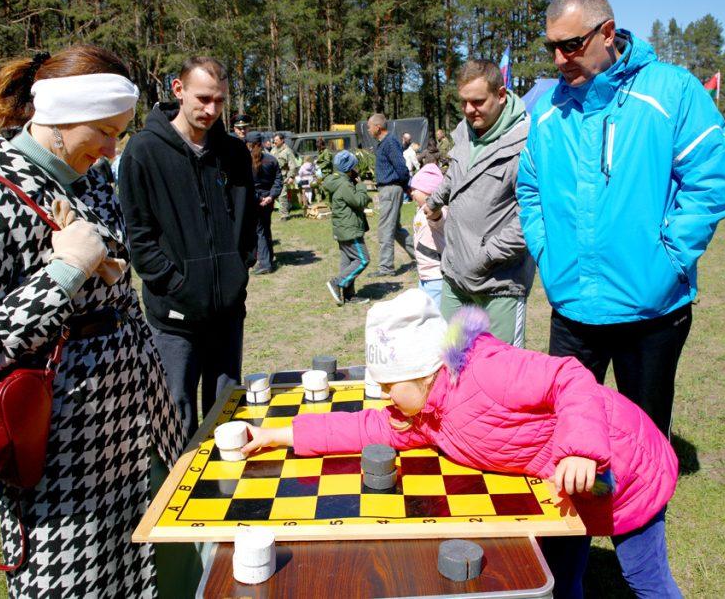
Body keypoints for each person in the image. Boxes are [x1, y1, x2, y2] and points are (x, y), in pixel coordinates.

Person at [0, 46, 185, 597]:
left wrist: (105, 265)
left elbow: (105, 256)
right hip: (59, 445)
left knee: (141, 572)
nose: (112, 148)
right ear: (61, 117)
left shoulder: (88, 178)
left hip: (130, 426)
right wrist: (67, 271)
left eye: (119, 132)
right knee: (76, 582)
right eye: (104, 131)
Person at [242, 289, 681, 598]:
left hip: (622, 466)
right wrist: (276, 435)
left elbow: (569, 377)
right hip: (564, 484)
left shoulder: (488, 371)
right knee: (561, 571)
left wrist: (583, 449)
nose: (383, 395)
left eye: (389, 385)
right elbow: (359, 429)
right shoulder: (421, 415)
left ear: (422, 372)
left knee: (643, 576)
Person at [517, 0, 725, 438]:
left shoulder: (672, 91)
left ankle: (643, 511)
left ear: (607, 33)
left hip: (650, 312)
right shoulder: (546, 112)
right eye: (551, 47)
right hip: (573, 311)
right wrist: (547, 252)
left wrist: (669, 259)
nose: (559, 59)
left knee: (644, 442)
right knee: (570, 437)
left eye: (571, 45)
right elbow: (530, 189)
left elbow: (710, 183)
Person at [119, 56, 256, 444]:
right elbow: (139, 235)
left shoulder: (234, 153)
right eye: (203, 98)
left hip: (227, 311)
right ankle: (177, 491)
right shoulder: (143, 152)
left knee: (227, 409)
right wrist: (173, 282)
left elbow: (246, 225)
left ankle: (224, 494)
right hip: (174, 317)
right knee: (174, 411)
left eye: (220, 100)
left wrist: (239, 270)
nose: (212, 109)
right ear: (177, 90)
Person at [423, 59, 535, 347]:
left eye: (477, 101)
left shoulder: (528, 143)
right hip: (454, 277)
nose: (469, 110)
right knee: (450, 363)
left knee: (501, 376)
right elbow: (457, 175)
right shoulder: (464, 133)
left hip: (499, 285)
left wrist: (483, 257)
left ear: (500, 95)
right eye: (464, 102)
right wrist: (435, 200)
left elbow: (532, 217)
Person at [368, 113, 416, 275]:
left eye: (369, 127)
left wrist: (404, 186)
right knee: (395, 229)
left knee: (385, 228)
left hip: (390, 188)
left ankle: (386, 267)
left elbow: (402, 168)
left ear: (378, 127)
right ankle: (422, 256)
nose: (368, 130)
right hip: (389, 188)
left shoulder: (389, 142)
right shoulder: (385, 143)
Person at [324, 150, 371, 306]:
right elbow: (359, 201)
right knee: (363, 259)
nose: (356, 170)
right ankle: (337, 282)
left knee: (348, 261)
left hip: (343, 228)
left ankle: (349, 295)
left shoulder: (337, 181)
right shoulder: (344, 185)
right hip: (350, 229)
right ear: (349, 168)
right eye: (354, 167)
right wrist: (362, 186)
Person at [409, 159, 447, 307]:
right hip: (425, 274)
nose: (411, 193)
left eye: (415, 189)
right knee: (425, 313)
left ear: (428, 191)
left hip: (437, 275)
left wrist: (434, 210)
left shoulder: (439, 212)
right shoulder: (420, 210)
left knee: (436, 316)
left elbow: (438, 219)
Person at [247, 132, 282, 275]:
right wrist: (271, 196)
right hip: (268, 200)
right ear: (261, 143)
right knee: (265, 229)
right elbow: (278, 180)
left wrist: (258, 198)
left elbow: (247, 184)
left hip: (255, 201)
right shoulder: (272, 160)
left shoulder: (246, 161)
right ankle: (269, 257)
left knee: (259, 231)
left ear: (249, 144)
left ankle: (265, 264)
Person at [272, 133, 298, 221]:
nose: (274, 142)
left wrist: (291, 176)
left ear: (282, 140)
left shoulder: (287, 151)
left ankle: (284, 215)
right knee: (275, 195)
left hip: (283, 177)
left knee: (282, 195)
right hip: (273, 177)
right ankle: (288, 205)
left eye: (276, 140)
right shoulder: (273, 150)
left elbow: (293, 165)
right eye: (274, 140)